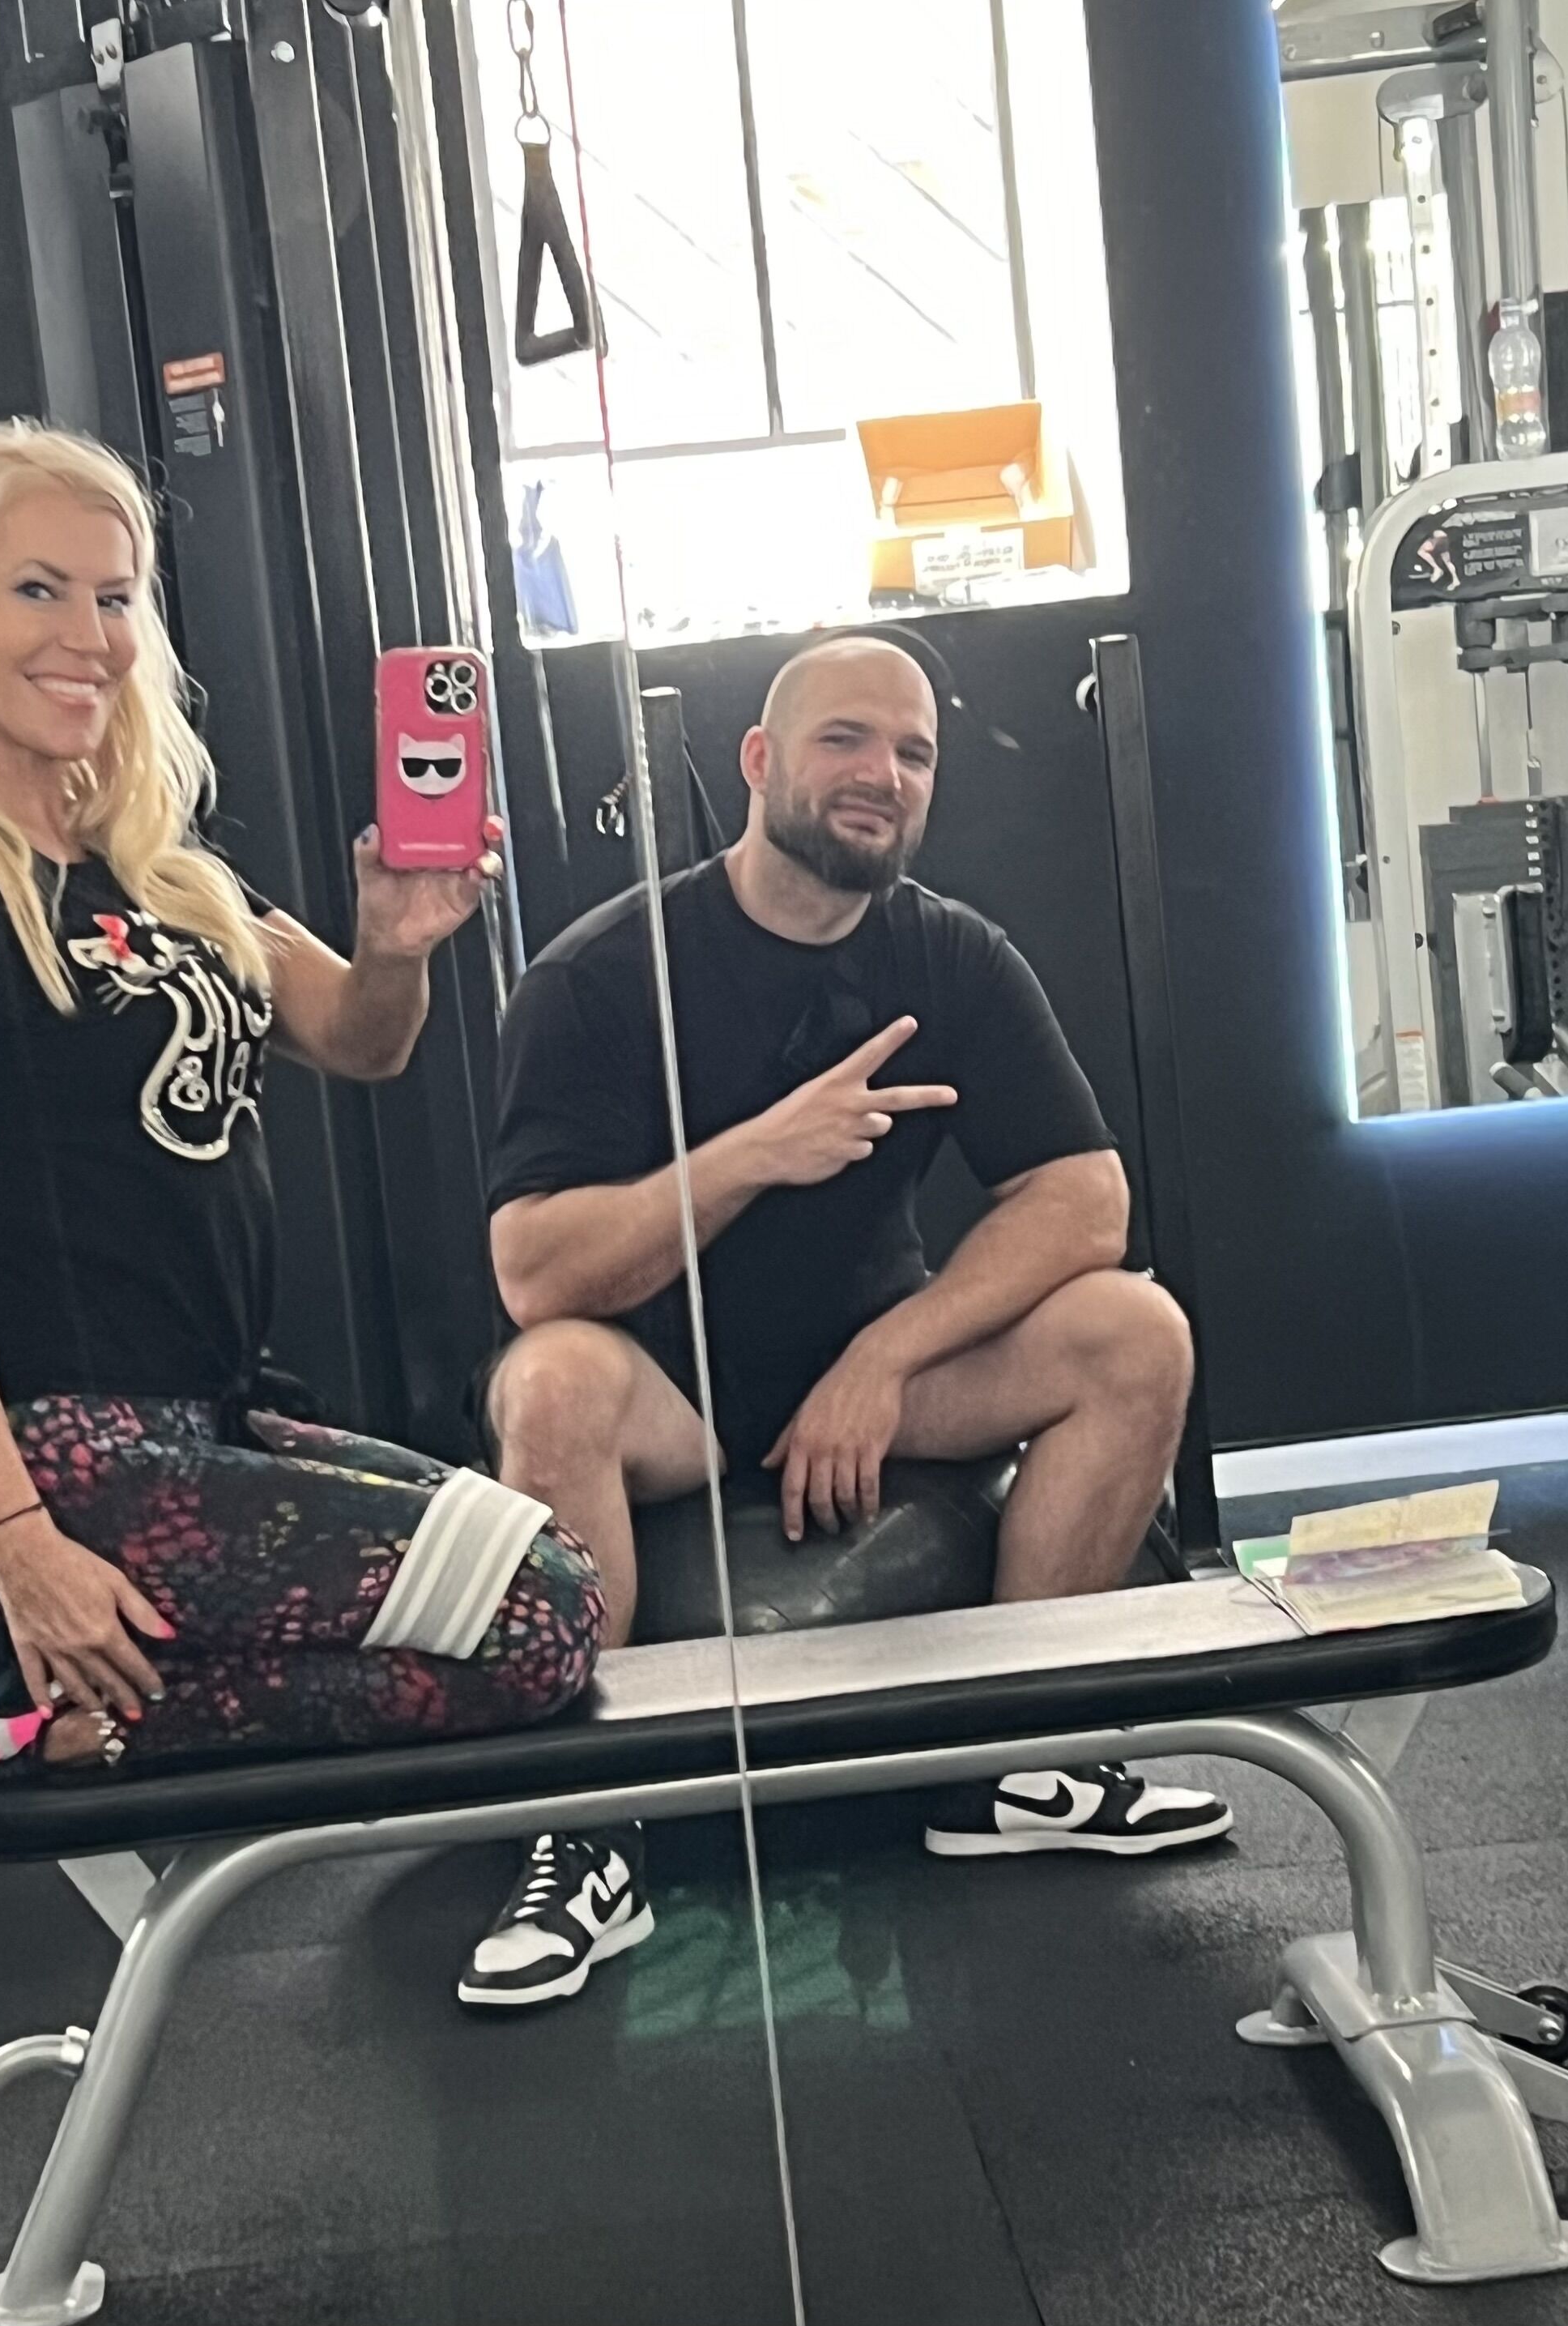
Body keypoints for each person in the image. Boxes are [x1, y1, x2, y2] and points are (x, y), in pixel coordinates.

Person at [0, 420, 604, 1852]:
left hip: (197, 1419)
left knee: (549, 1565)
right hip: (45, 1448)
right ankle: (20, 1720)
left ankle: (24, 1689)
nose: (88, 635)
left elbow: (359, 1038)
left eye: (114, 595)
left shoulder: (148, 872)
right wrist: (19, 1544)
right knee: (538, 1616)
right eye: (37, 589)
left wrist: (398, 945)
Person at [459, 635, 1229, 2011]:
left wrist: (887, 1353)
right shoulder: (603, 973)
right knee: (548, 1380)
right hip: (669, 1395)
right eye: (845, 740)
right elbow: (534, 1273)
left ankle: (1019, 1762)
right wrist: (753, 1153)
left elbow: (1083, 1200)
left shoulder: (949, 954)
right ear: (759, 760)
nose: (883, 773)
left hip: (873, 1369)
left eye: (913, 752)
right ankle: (588, 1830)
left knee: (1136, 1331)